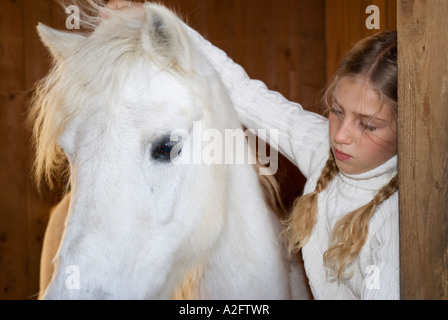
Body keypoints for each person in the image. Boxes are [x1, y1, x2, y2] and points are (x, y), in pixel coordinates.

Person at [105, 0, 399, 300]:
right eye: (336, 110)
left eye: (368, 125)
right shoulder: (320, 146)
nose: (341, 135)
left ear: (405, 127)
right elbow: (245, 94)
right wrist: (164, 26)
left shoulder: (394, 221)